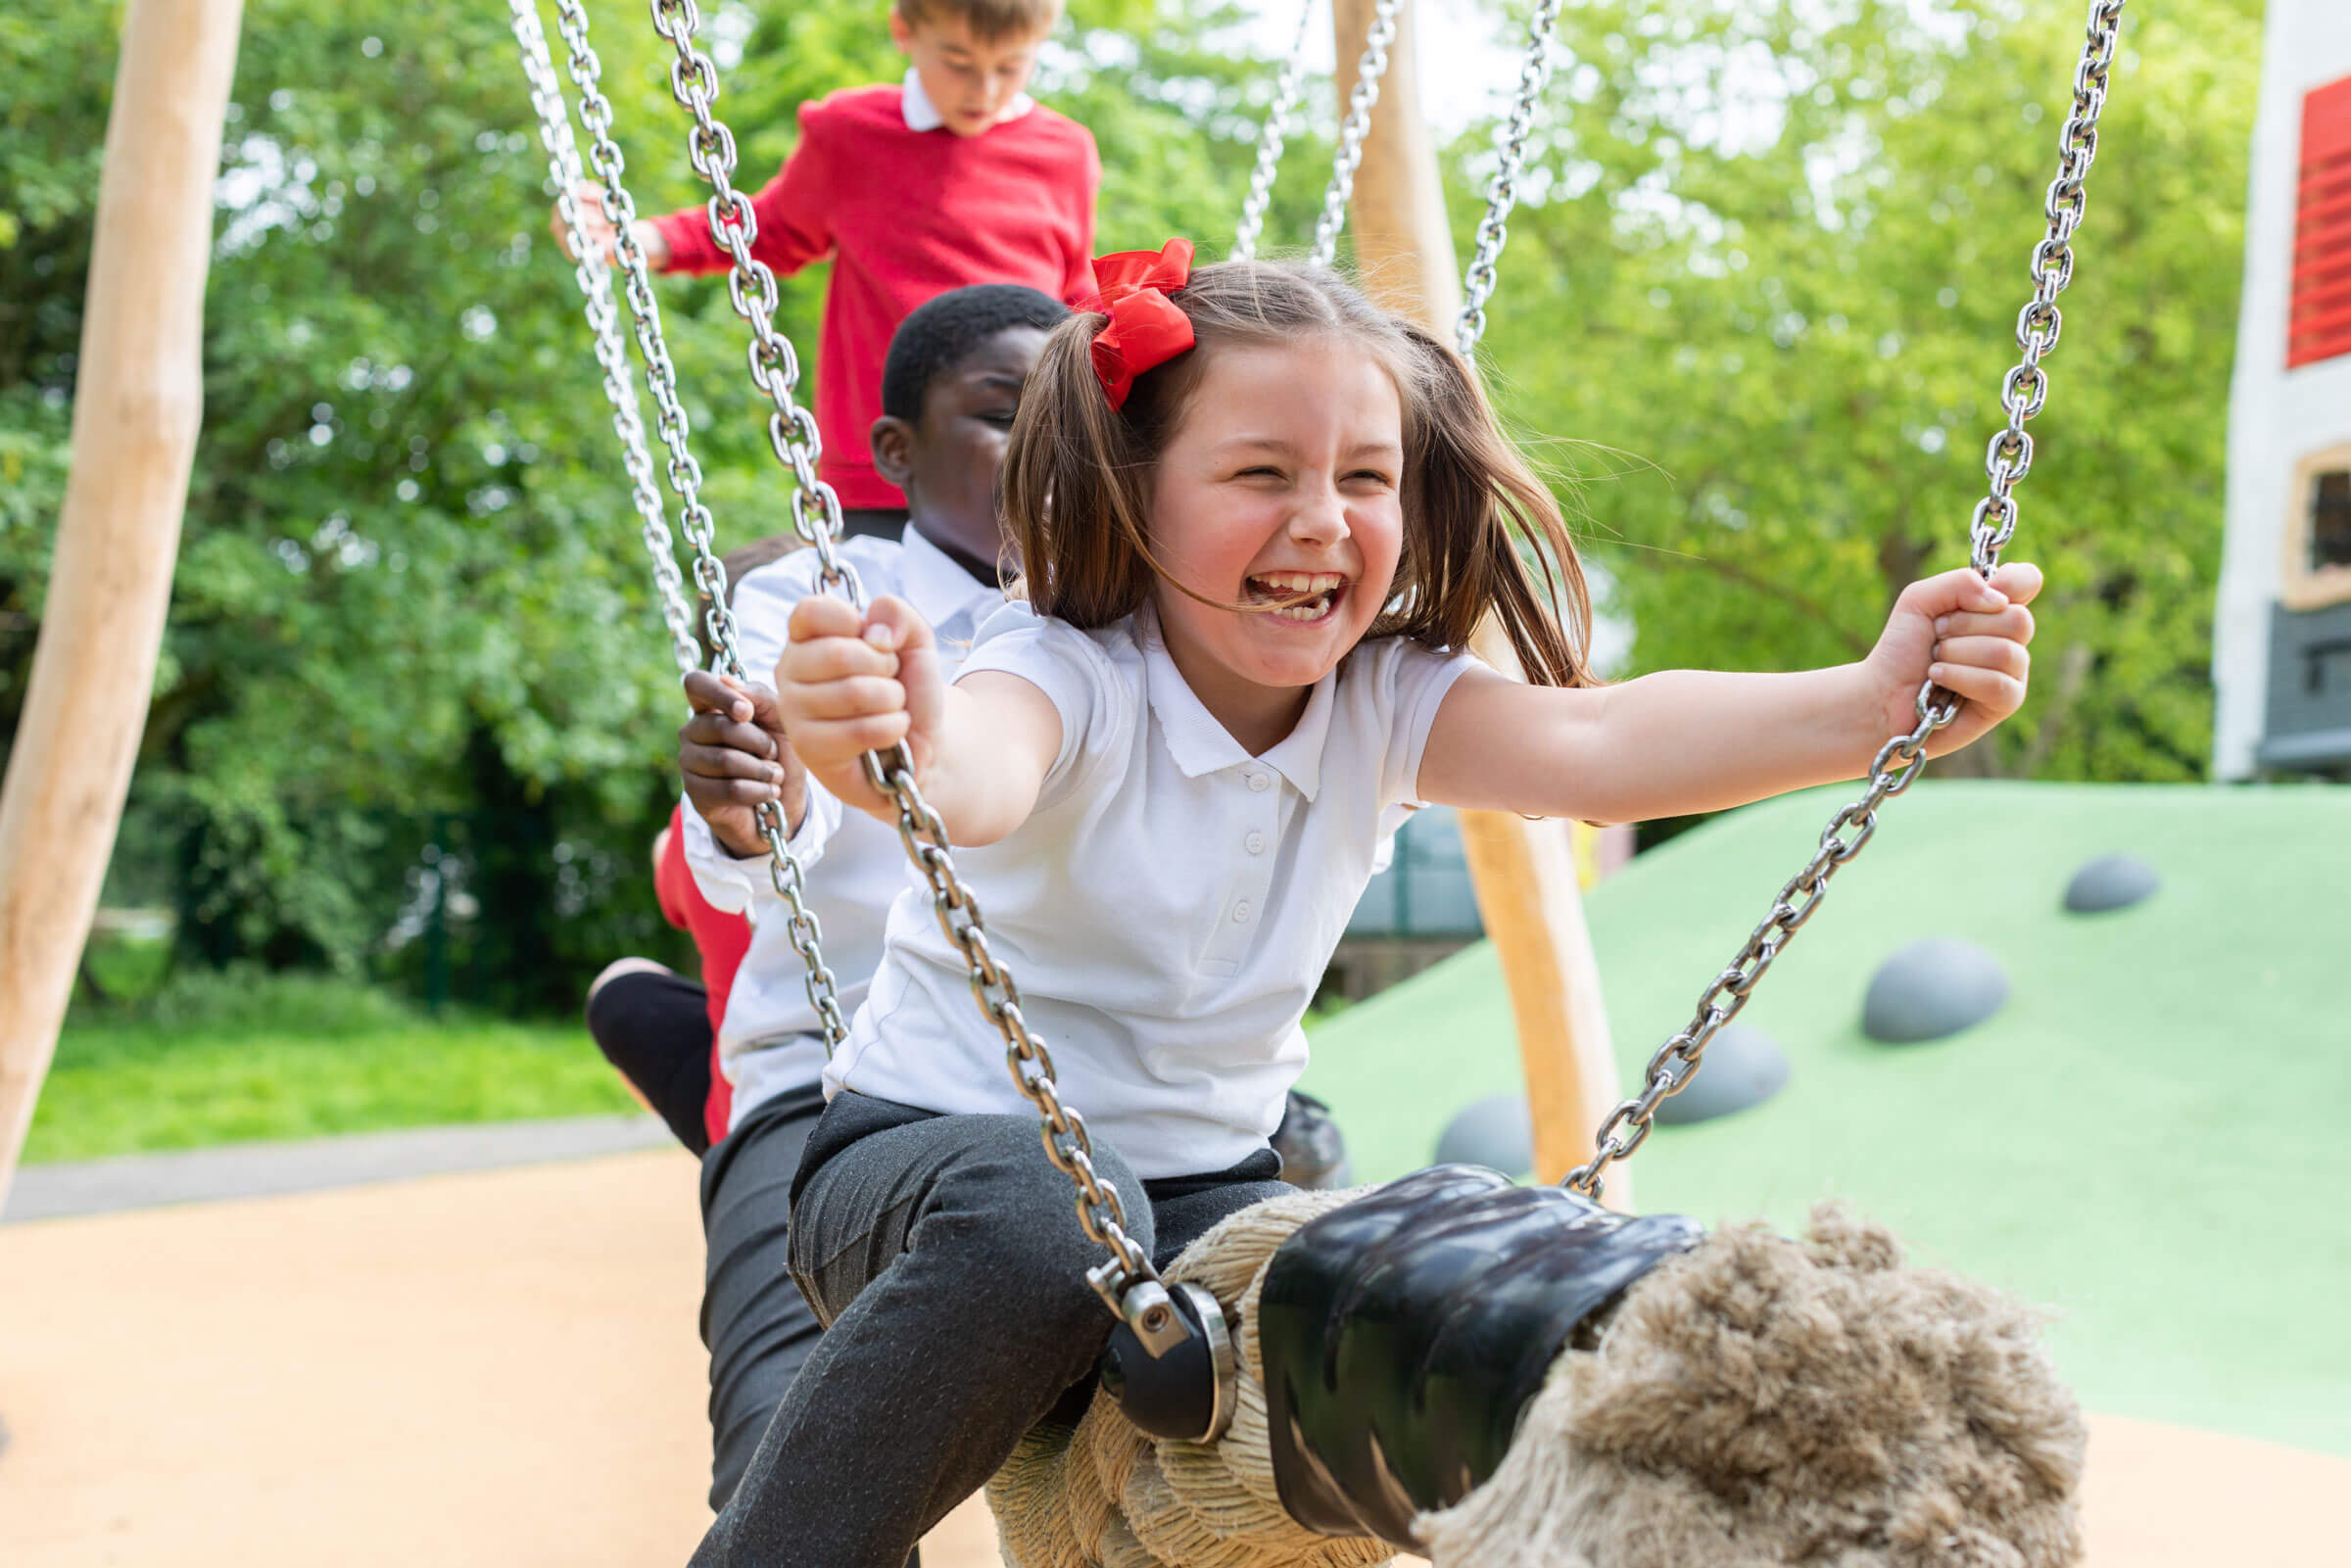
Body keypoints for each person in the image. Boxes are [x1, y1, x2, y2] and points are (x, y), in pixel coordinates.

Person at [690, 243, 2044, 1567]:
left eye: (1366, 477)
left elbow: (1600, 745)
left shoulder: (1381, 700)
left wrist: (1868, 704)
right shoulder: (1071, 671)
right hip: (925, 1175)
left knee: (1389, 1284)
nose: (1324, 518)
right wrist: (893, 736)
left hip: (1201, 1202)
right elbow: (973, 772)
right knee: (1039, 1216)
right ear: (1136, 492)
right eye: (1261, 473)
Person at [551, 0, 1100, 538]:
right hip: (882, 471)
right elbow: (772, 228)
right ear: (903, 31)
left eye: (1010, 66)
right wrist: (644, 238)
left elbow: (1076, 299)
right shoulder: (851, 132)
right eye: (957, 62)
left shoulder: (1066, 152)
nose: (983, 90)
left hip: (1025, 469)